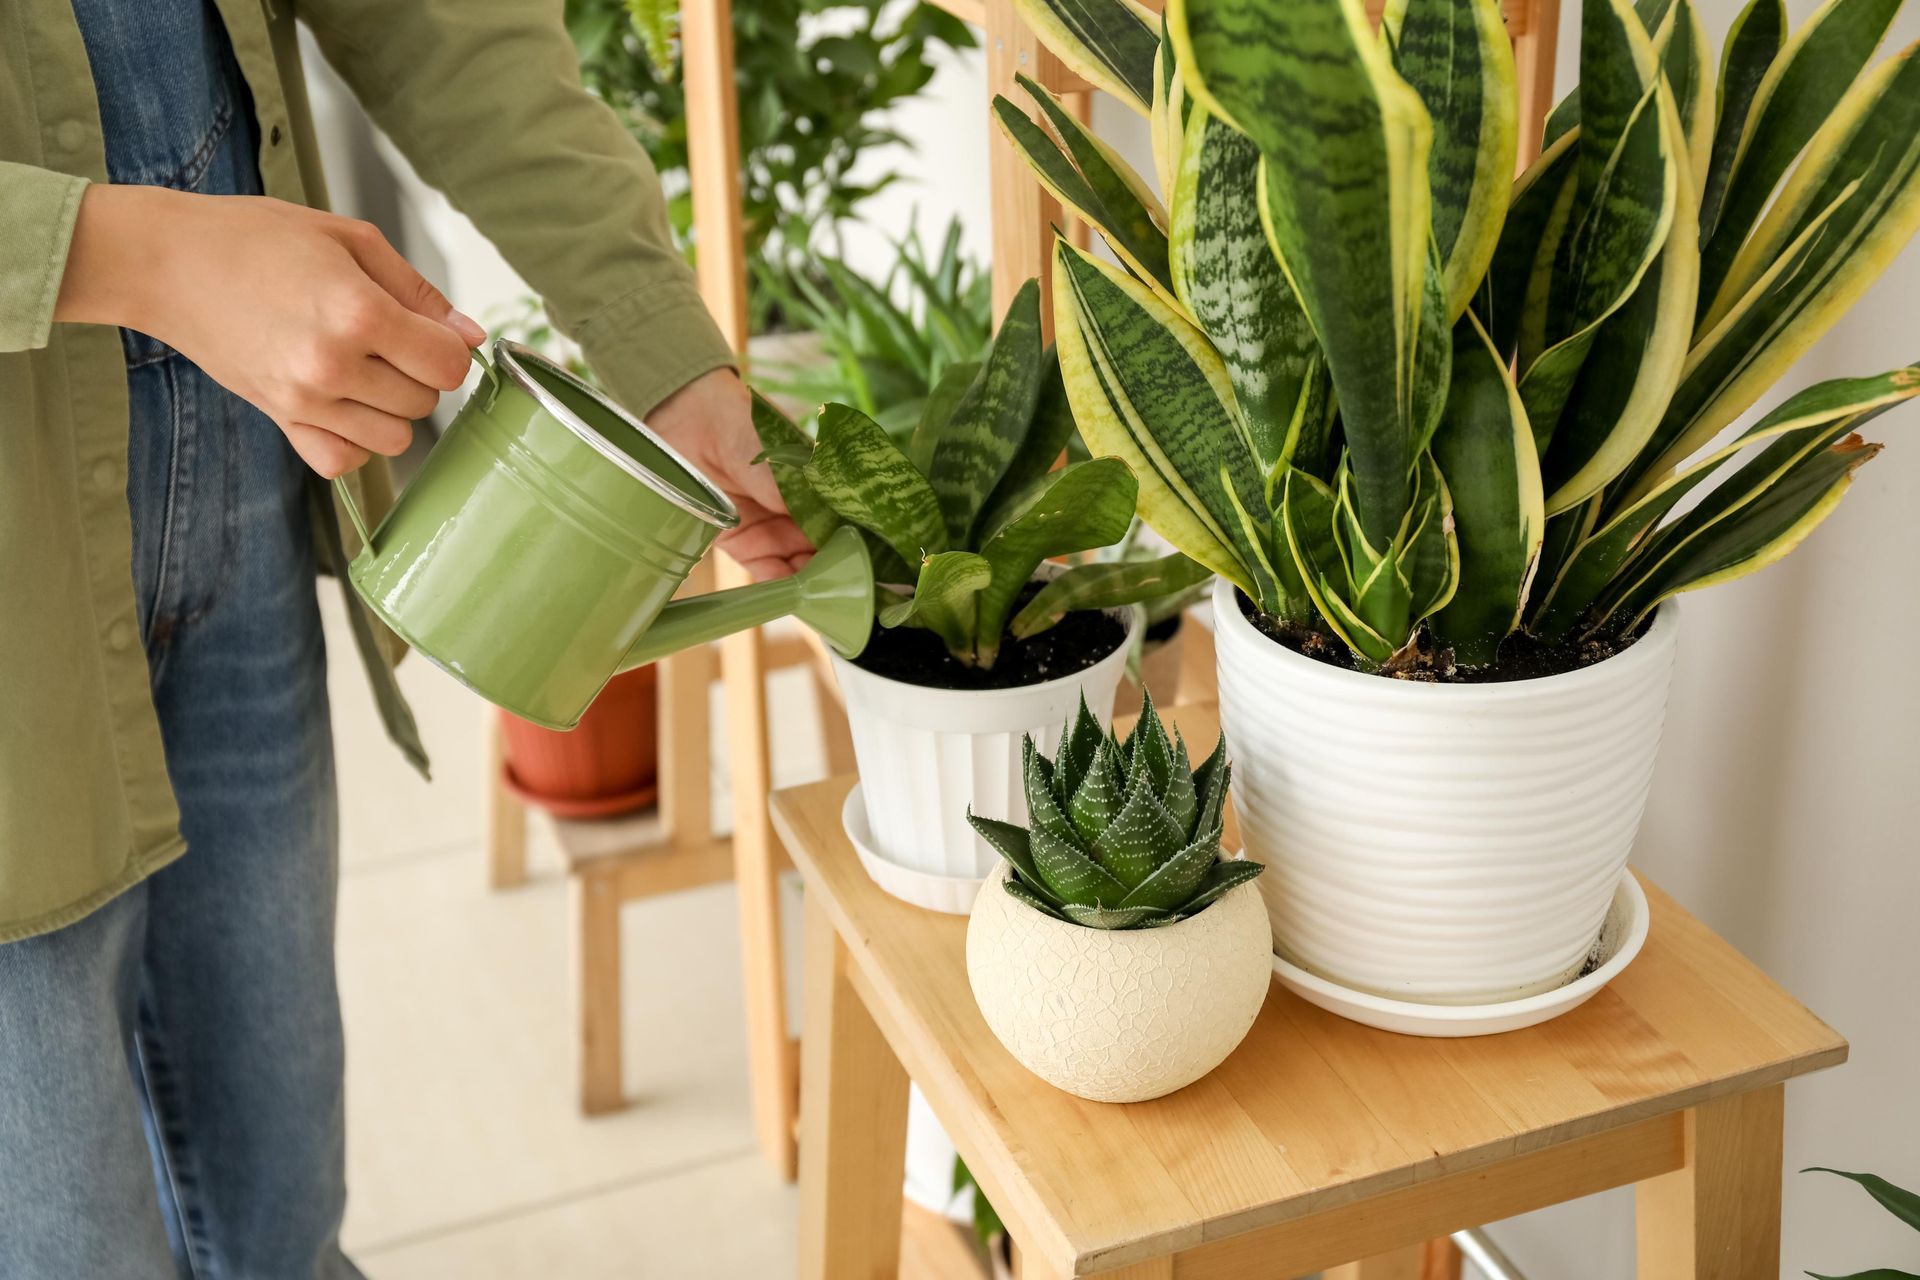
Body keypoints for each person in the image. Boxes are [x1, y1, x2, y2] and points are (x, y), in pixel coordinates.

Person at [0, 2, 809, 1275]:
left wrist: (661, 349)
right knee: (71, 1246)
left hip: (243, 470)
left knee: (283, 1211)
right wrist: (129, 255)